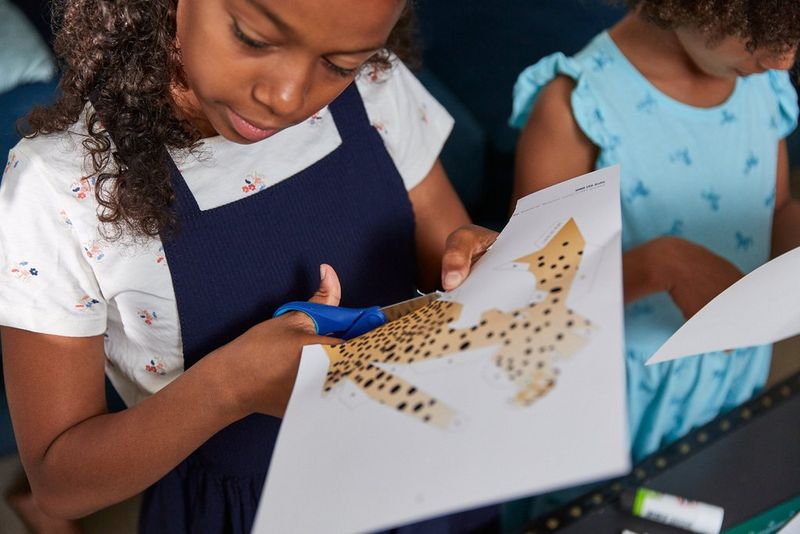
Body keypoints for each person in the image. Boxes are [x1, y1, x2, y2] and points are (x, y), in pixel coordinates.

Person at [0, 0, 499, 532]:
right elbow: (60, 484)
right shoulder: (61, 190)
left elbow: (447, 269)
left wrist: (479, 265)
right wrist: (230, 388)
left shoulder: (376, 84)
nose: (285, 96)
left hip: (434, 467)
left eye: (338, 64)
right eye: (254, 39)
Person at [504, 0, 800, 529]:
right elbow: (533, 302)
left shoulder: (761, 85)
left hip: (729, 386)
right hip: (609, 407)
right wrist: (661, 264)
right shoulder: (576, 105)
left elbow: (774, 209)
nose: (784, 60)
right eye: (762, 37)